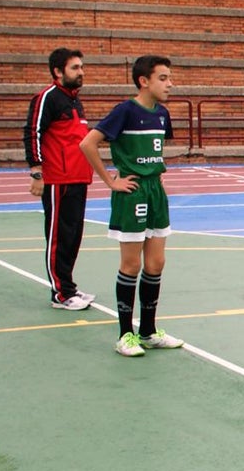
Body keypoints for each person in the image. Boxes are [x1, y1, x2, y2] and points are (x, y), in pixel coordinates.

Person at [79, 55, 185, 357]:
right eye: (163, 78)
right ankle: (125, 334)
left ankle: (149, 331)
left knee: (156, 264)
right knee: (132, 264)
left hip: (155, 192)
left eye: (169, 78)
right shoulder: (124, 111)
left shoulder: (162, 114)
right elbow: (87, 143)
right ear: (144, 81)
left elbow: (155, 152)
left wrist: (158, 181)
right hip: (132, 192)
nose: (170, 84)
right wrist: (110, 181)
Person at [23, 48, 95, 311]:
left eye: (81, 67)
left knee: (73, 235)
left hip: (78, 178)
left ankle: (69, 287)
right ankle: (60, 294)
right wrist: (36, 172)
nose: (81, 72)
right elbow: (33, 132)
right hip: (56, 180)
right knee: (58, 237)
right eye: (75, 68)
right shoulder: (47, 98)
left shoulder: (75, 100)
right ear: (58, 71)